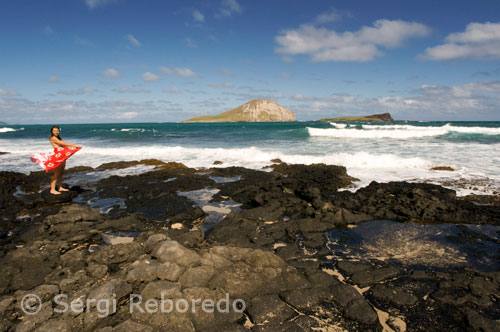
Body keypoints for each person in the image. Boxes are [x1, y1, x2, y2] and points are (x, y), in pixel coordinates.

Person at [30, 125, 82, 195]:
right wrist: (75, 145)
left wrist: (74, 148)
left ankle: (60, 187)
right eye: (54, 131)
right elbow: (62, 143)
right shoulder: (53, 138)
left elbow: (64, 145)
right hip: (58, 157)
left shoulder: (59, 138)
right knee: (57, 173)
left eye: (57, 130)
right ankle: (52, 189)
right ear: (52, 131)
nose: (56, 132)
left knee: (61, 173)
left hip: (62, 156)